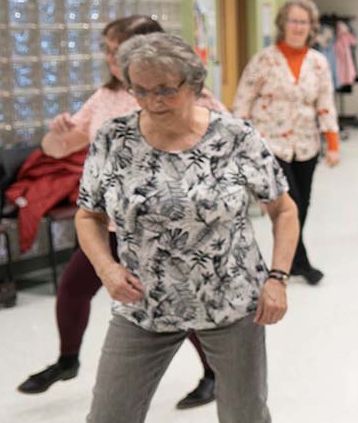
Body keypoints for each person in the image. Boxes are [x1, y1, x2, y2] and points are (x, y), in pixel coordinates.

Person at [77, 32, 299, 423]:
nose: (152, 102)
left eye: (165, 90)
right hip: (143, 304)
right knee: (108, 416)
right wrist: (107, 269)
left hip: (229, 303)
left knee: (244, 416)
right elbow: (88, 215)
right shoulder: (115, 138)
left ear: (193, 84)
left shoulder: (234, 137)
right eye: (140, 91)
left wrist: (277, 278)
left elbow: (283, 210)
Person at [20, 15, 225, 409]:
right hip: (111, 225)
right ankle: (67, 361)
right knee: (73, 289)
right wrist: (56, 133)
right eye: (108, 51)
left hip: (165, 230)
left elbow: (226, 141)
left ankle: (213, 374)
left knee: (179, 305)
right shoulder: (105, 97)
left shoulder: (183, 94)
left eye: (119, 51)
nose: (112, 59)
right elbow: (57, 149)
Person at [234, 0, 339, 286]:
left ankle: (292, 260)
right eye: (293, 21)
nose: (298, 27)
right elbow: (243, 99)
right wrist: (238, 144)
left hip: (306, 144)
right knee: (287, 204)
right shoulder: (265, 60)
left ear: (311, 26)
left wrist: (333, 143)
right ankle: (298, 263)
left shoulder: (318, 63)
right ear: (283, 24)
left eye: (303, 22)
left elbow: (325, 102)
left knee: (302, 205)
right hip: (270, 145)